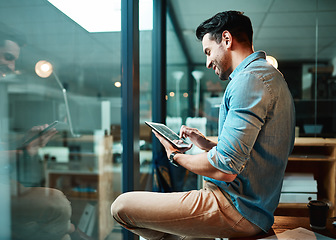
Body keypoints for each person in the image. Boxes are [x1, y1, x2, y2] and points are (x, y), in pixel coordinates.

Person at [111, 10, 295, 239]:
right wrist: (206, 144)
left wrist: (174, 155)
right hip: (251, 208)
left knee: (121, 206)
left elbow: (225, 169)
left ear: (227, 40)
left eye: (208, 51)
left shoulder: (249, 80)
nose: (208, 63)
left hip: (234, 208)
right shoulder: (270, 76)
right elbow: (248, 155)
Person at [0, 22, 77, 240]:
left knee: (63, 229)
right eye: (8, 57)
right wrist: (23, 152)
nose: (12, 67)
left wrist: (25, 142)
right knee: (58, 206)